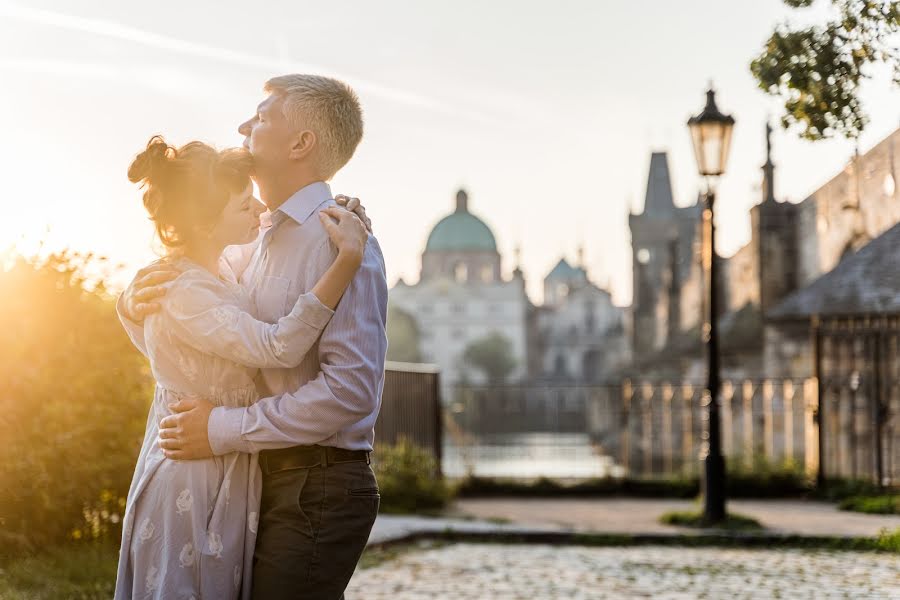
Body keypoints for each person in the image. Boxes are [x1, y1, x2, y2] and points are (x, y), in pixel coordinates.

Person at [118, 74, 388, 599]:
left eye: (262, 117)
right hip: (254, 476)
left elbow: (351, 391)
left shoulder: (341, 241)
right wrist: (131, 304)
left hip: (316, 485)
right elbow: (191, 331)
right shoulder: (250, 240)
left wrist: (222, 429)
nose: (244, 126)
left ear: (300, 144)